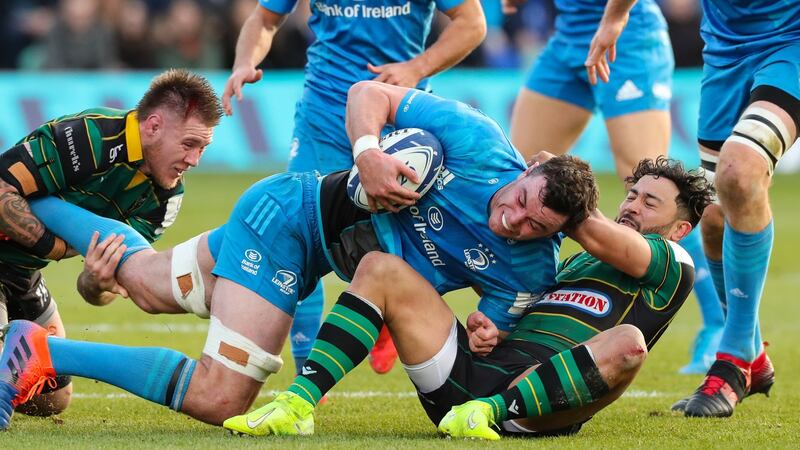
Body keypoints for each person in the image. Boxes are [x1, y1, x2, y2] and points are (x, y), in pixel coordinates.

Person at [0, 82, 598, 429]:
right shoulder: (478, 142)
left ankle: (45, 202)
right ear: (530, 167)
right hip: (289, 221)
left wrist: (487, 330)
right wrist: (368, 152)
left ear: (558, 234)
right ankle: (41, 351)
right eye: (520, 200)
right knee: (220, 398)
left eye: (534, 225)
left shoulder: (530, 268)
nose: (513, 219)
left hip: (305, 244)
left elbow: (495, 324)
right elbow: (369, 92)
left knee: (152, 285)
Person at [221, 156, 714, 438]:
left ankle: (492, 412)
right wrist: (489, 329)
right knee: (379, 268)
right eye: (632, 194)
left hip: (534, 407)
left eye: (650, 202)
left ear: (680, 229)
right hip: (465, 386)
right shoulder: (572, 265)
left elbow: (603, 236)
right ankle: (296, 405)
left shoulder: (673, 265)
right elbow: (521, 309)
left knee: (628, 343)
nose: (633, 205)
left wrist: (555, 188)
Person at [222, 0, 487, 376]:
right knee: (297, 237)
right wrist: (244, 62)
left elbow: (472, 22)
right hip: (324, 116)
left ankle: (388, 305)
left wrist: (417, 67)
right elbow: (264, 19)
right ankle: (307, 372)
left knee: (408, 239)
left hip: (396, 117)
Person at [506, 0, 722, 374]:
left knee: (656, 191)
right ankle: (513, 314)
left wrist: (616, 17)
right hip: (570, 34)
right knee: (516, 180)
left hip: (628, 35)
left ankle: (720, 328)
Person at [0, 68, 222, 417]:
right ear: (153, 126)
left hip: (23, 273)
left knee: (52, 399)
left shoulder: (163, 201)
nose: (194, 160)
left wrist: (96, 281)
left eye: (203, 149)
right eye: (188, 144)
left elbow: (99, 292)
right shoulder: (88, 137)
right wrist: (58, 248)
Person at [671, 0, 798, 417]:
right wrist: (615, 18)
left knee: (740, 171)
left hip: (791, 41)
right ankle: (753, 358)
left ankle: (732, 361)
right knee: (712, 216)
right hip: (725, 51)